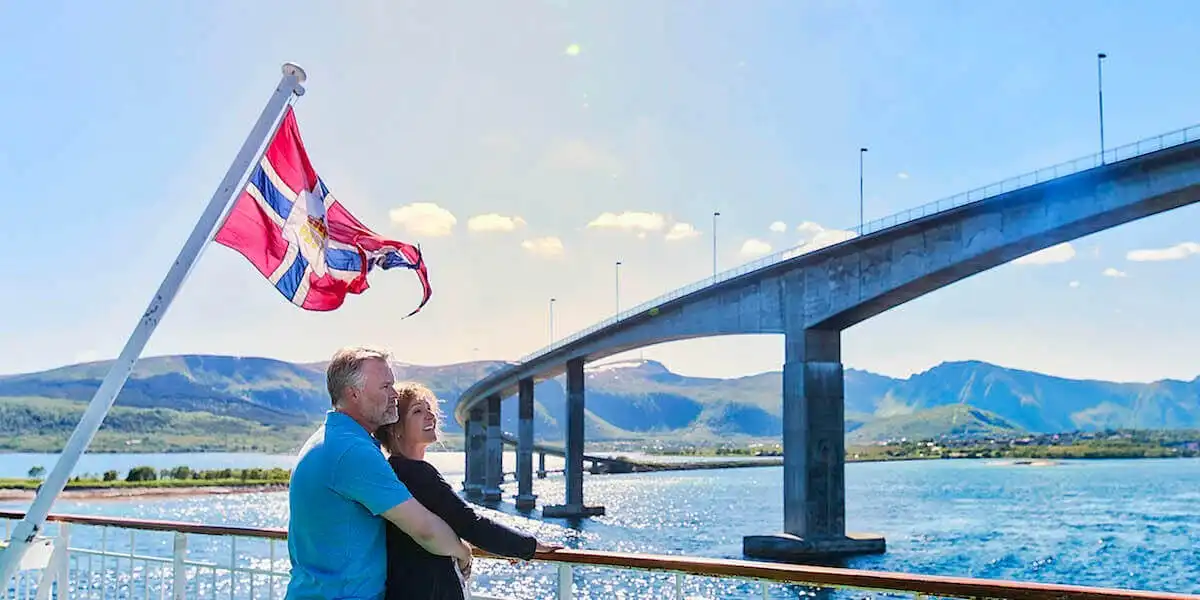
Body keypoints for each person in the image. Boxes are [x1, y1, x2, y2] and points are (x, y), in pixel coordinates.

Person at [285, 347, 473, 600]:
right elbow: (424, 529)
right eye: (385, 387)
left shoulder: (327, 440)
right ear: (354, 393)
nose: (395, 394)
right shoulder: (352, 451)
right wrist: (463, 552)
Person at [374, 381, 562, 600]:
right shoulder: (418, 474)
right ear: (395, 429)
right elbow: (469, 522)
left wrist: (505, 546)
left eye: (430, 410)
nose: (430, 416)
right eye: (417, 411)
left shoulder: (392, 471)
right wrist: (529, 546)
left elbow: (448, 523)